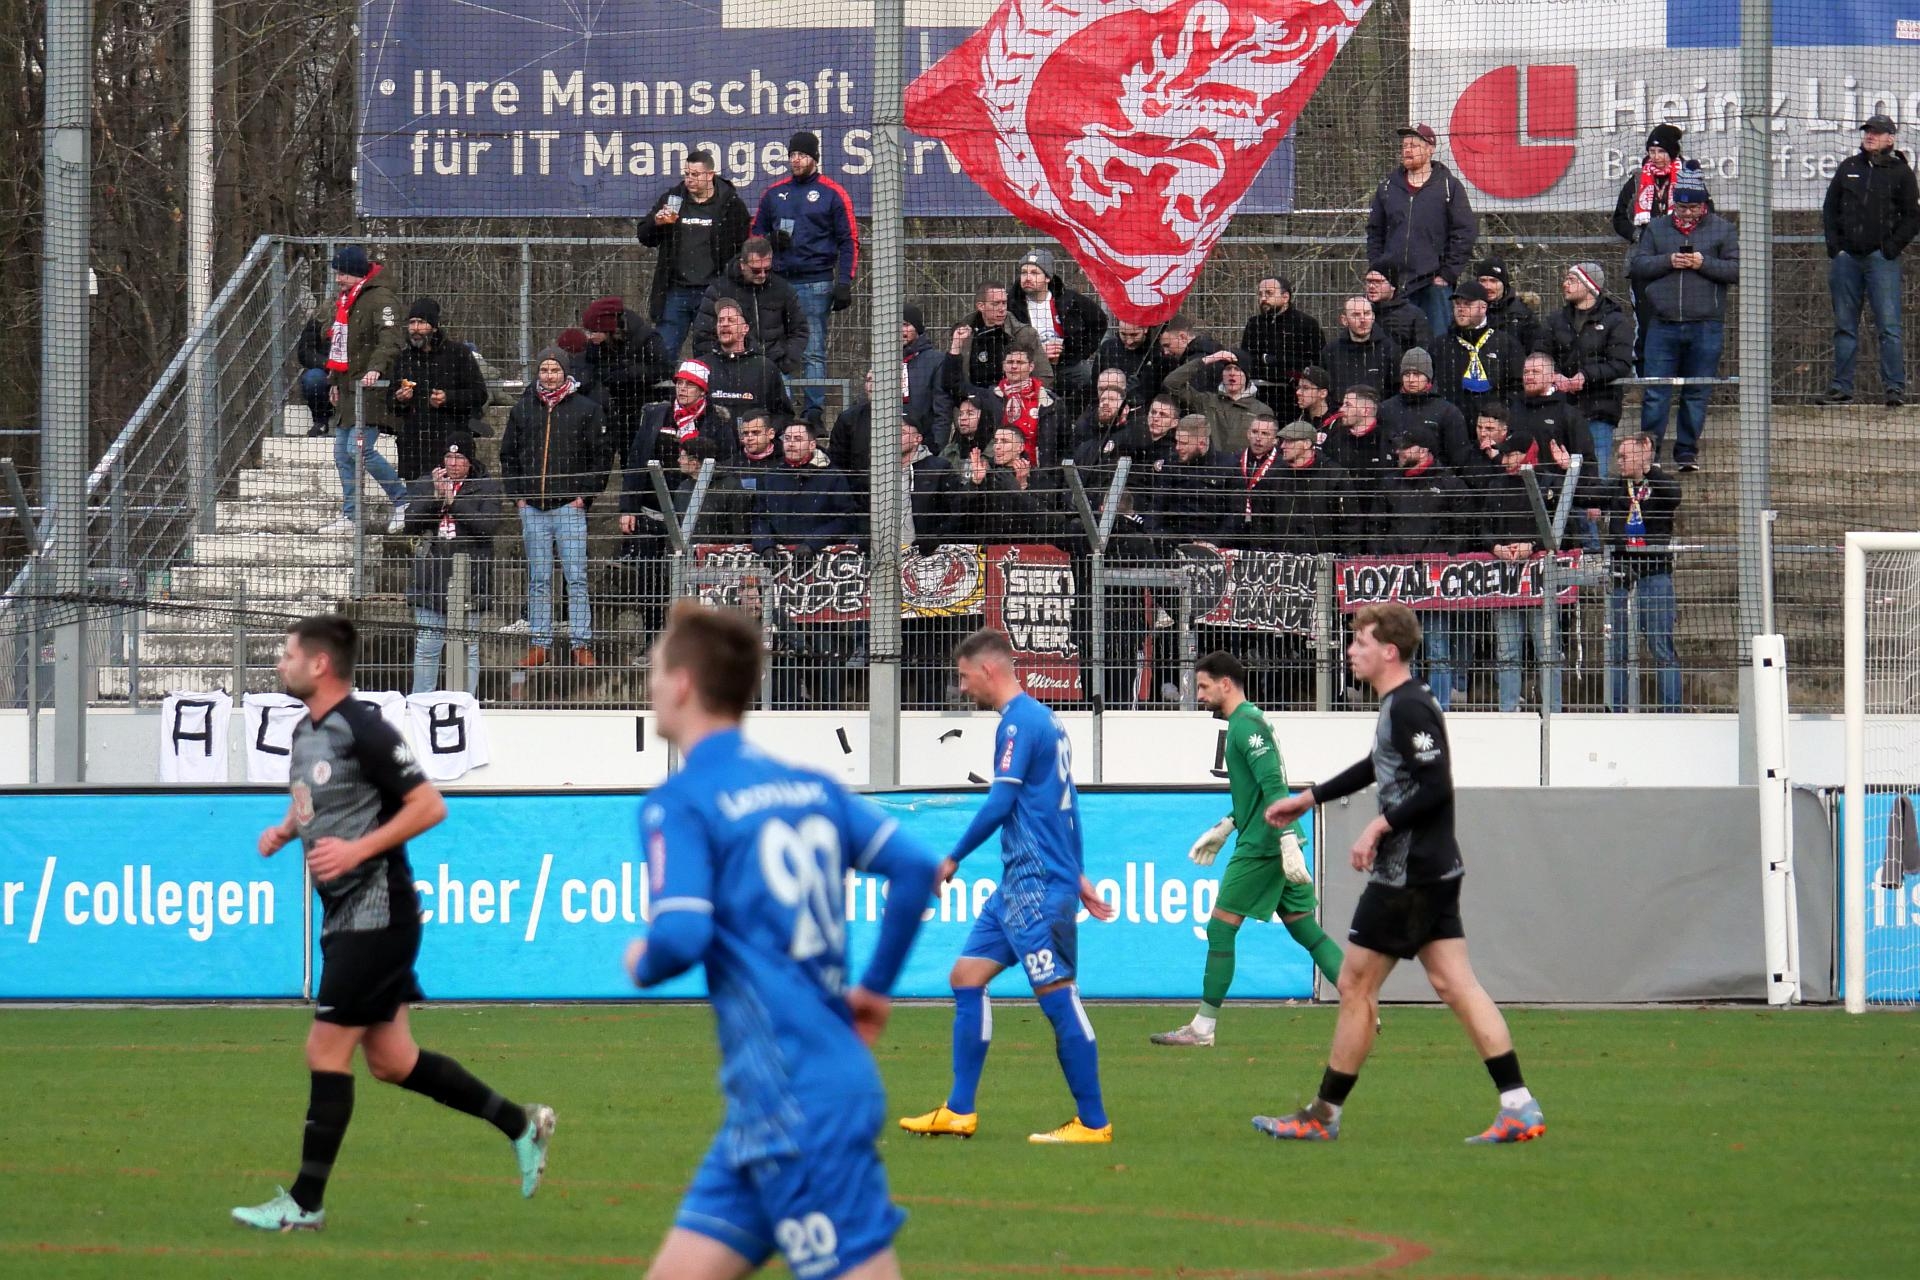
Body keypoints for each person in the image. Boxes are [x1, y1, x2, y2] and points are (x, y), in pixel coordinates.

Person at [624, 601, 940, 1280]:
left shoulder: (679, 802)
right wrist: (876, 991)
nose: (649, 682)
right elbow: (915, 869)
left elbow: (679, 934)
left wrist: (641, 960)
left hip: (793, 1100)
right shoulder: (810, 787)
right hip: (776, 1101)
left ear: (682, 683)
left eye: (654, 668)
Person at [232, 616, 555, 1231]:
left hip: (378, 914)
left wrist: (356, 851)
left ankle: (305, 1205)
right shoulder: (306, 731)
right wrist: (287, 829)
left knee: (325, 1049)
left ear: (320, 664)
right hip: (346, 915)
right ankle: (521, 1125)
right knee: (393, 1061)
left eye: (289, 654)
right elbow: (315, 799)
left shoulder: (366, 728)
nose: (280, 663)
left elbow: (429, 805)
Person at [1256, 602, 1545, 1145]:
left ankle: (1322, 1115)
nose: (1350, 651)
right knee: (1454, 983)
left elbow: (1435, 785)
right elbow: (1378, 764)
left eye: (1359, 642)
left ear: (1389, 650)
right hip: (1434, 866)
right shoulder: (1401, 704)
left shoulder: (1409, 705)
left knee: (1355, 983)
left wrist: (1377, 828)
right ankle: (1519, 1105)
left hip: (1408, 873)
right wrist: (1310, 798)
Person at [899, 628, 1119, 1143]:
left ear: (988, 669)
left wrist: (951, 857)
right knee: (966, 977)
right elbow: (1063, 803)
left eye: (963, 675)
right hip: (1019, 886)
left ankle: (1093, 1122)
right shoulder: (1046, 721)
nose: (961, 685)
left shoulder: (1019, 725)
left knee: (1059, 998)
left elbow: (1002, 804)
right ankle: (959, 1110)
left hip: (1038, 886)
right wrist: (1079, 872)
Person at [1150, 651, 1344, 1047]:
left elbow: (1274, 786)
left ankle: (1202, 1029)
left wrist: (1286, 838)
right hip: (1266, 837)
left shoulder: (1246, 727)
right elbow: (1257, 793)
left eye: (1203, 687)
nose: (1199, 695)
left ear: (1226, 684)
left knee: (1220, 928)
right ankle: (1363, 1002)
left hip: (1263, 846)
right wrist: (1227, 824)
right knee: (1306, 929)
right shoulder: (1245, 723)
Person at [498, 346, 610, 669]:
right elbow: (508, 456)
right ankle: (539, 642)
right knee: (538, 578)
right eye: (544, 370)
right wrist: (518, 496)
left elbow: (601, 457)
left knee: (576, 577)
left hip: (569, 508)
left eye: (554, 370)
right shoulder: (523, 409)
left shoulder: (586, 410)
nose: (549, 376)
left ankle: (581, 642)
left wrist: (584, 497)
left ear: (565, 372)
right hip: (532, 508)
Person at [1629, 163, 1737, 471]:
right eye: (1682, 206)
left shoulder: (1723, 229)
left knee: (1697, 391)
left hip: (1706, 324)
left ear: (1703, 204)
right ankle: (1652, 453)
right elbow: (1638, 265)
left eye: (1692, 207)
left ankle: (1687, 451)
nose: (1686, 213)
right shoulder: (1657, 228)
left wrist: (1703, 263)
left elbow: (1738, 269)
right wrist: (1669, 261)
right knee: (1655, 391)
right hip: (1662, 324)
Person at [752, 132, 859, 422]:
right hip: (777, 282)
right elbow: (755, 235)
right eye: (792, 155)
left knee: (812, 351)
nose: (795, 160)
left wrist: (844, 282)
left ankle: (814, 412)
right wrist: (770, 242)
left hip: (816, 282)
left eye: (801, 155)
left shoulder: (832, 193)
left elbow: (849, 240)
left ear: (814, 158)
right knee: (776, 348)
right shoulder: (774, 194)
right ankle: (782, 409)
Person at [1821, 114, 1920, 407]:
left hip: (1881, 260)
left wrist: (1890, 248)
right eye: (1868, 131)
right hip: (1846, 259)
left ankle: (1894, 388)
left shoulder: (1901, 172)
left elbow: (1913, 217)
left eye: (1877, 132)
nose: (1870, 136)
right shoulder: (1848, 167)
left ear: (1891, 138)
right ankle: (1841, 387)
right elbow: (1830, 209)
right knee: (1844, 325)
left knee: (1889, 326)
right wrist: (1835, 248)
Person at [1582, 433, 1683, 710]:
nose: (1619, 461)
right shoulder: (1617, 486)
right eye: (1619, 456)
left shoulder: (1659, 484)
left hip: (1654, 572)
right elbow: (1588, 495)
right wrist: (1570, 469)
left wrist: (1648, 470)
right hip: (1621, 576)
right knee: (1617, 648)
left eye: (1625, 456)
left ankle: (1672, 712)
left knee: (1661, 646)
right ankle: (1616, 709)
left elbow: (1675, 496)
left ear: (1642, 456)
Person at [320, 245, 410, 536]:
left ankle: (402, 500)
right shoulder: (347, 300)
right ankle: (350, 516)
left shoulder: (381, 299)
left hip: (371, 391)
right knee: (341, 454)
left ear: (357, 273)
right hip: (348, 389)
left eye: (343, 273)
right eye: (337, 273)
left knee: (359, 450)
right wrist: (334, 380)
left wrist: (376, 368)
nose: (338, 279)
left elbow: (390, 339)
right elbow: (341, 344)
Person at [403, 433, 503, 695]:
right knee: (427, 646)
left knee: (467, 648)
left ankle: (464, 705)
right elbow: (410, 523)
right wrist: (437, 496)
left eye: (460, 458)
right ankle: (420, 705)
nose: (453, 463)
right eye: (449, 457)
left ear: (470, 461)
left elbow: (487, 527)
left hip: (470, 577)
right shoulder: (428, 482)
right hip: (431, 577)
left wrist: (453, 503)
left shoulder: (486, 486)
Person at [636, 148, 752, 362]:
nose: (690, 179)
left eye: (695, 175)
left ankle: (709, 395)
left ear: (710, 175)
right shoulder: (673, 199)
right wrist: (656, 224)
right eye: (687, 174)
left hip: (712, 291)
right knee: (663, 352)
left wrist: (730, 282)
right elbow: (644, 236)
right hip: (675, 291)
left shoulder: (730, 204)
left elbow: (742, 248)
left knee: (709, 355)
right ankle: (665, 394)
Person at [1365, 124, 1478, 341]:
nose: (1407, 150)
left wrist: (1447, 274)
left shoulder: (1448, 187)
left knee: (1436, 343)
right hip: (1393, 287)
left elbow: (1464, 232)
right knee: (1390, 343)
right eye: (1405, 145)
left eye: (1414, 145)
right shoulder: (1388, 187)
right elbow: (1374, 231)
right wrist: (1379, 268)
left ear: (1430, 149)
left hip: (1432, 284)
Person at [1541, 262, 1635, 479]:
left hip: (1599, 409)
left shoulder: (1616, 321)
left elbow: (1621, 363)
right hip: (1559, 409)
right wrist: (1554, 375)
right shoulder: (1555, 320)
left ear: (1590, 285)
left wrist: (1585, 376)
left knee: (1595, 473)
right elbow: (1540, 352)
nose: (1565, 284)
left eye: (1572, 280)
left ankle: (1594, 511)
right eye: (1565, 279)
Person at [1613, 124, 1688, 371]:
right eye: (1652, 150)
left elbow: (1705, 213)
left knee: (1678, 318)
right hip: (1643, 262)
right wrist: (1638, 236)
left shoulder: (1688, 177)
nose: (1656, 156)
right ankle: (1643, 373)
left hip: (1677, 260)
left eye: (1661, 151)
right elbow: (1619, 218)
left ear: (1672, 153)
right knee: (1644, 320)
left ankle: (1677, 372)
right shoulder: (1637, 179)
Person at [388, 297, 489, 482]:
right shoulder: (403, 359)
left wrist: (448, 398)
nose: (416, 328)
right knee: (419, 504)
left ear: (434, 327)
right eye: (412, 323)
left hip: (450, 444)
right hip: (414, 448)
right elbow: (390, 403)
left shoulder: (458, 354)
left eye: (421, 322)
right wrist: (400, 398)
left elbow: (479, 394)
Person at [1008, 246, 1107, 418]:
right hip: (1030, 366)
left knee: (1088, 377)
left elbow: (1099, 320)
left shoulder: (1068, 299)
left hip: (1066, 363)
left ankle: (1075, 422)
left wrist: (1080, 352)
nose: (1027, 278)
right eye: (1023, 272)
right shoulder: (1012, 304)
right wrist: (1037, 354)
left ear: (1047, 277)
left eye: (1034, 273)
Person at [690, 237, 810, 378]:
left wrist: (786, 361)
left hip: (772, 368)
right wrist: (720, 363)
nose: (762, 275)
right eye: (756, 270)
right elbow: (703, 335)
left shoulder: (782, 289)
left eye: (767, 269)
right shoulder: (719, 290)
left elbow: (800, 329)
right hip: (730, 370)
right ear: (742, 264)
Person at [580, 295, 671, 467]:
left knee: (638, 453)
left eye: (593, 331)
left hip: (643, 403)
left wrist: (629, 373)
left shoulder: (647, 338)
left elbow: (664, 369)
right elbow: (589, 369)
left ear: (608, 329)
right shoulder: (596, 346)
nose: (589, 337)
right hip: (614, 408)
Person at [1431, 281, 1525, 423]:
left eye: (1467, 304)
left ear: (1483, 307)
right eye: (1457, 304)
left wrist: (1500, 415)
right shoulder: (1440, 345)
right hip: (1451, 424)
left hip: (1493, 426)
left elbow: (1517, 387)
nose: (1460, 309)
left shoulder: (1506, 344)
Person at [1162, 348, 1274, 453]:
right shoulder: (1205, 400)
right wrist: (1207, 360)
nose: (1232, 373)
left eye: (1237, 369)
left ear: (1246, 376)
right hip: (1210, 469)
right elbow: (1171, 383)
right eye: (1227, 368)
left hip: (1244, 470)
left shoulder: (1262, 411)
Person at [953, 281, 1052, 390]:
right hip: (972, 401)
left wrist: (1023, 399)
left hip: (1013, 401)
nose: (1002, 309)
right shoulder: (965, 333)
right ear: (981, 306)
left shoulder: (1025, 334)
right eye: (996, 304)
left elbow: (1044, 375)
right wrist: (963, 401)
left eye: (1004, 303)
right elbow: (953, 376)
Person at [1242, 275, 1324, 406]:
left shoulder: (1306, 324)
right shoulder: (1254, 323)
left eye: (1269, 293)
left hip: (1293, 397)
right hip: (1258, 395)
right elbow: (1246, 358)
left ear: (1285, 297)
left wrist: (1275, 361)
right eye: (1260, 294)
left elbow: (1315, 362)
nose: (1263, 298)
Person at [1321, 297, 1404, 406]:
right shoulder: (1331, 351)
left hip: (1379, 417)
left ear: (1373, 317)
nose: (1363, 319)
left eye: (1367, 314)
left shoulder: (1390, 349)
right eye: (1356, 315)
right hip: (1341, 415)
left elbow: (1397, 391)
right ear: (1344, 320)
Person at [1361, 265, 1431, 352]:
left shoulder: (1413, 314)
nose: (1371, 286)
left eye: (1378, 282)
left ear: (1392, 286)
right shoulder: (1359, 310)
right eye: (1369, 281)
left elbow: (1423, 350)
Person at [1475, 259, 1539, 354]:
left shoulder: (1521, 313)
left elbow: (1534, 350)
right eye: (1483, 281)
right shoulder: (1467, 309)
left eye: (1493, 281)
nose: (1487, 286)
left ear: (1504, 285)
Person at [296, 300, 334, 436]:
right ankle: (321, 420)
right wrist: (327, 364)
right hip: (326, 370)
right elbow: (305, 352)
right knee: (313, 379)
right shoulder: (324, 313)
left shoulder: (366, 308)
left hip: (355, 370)